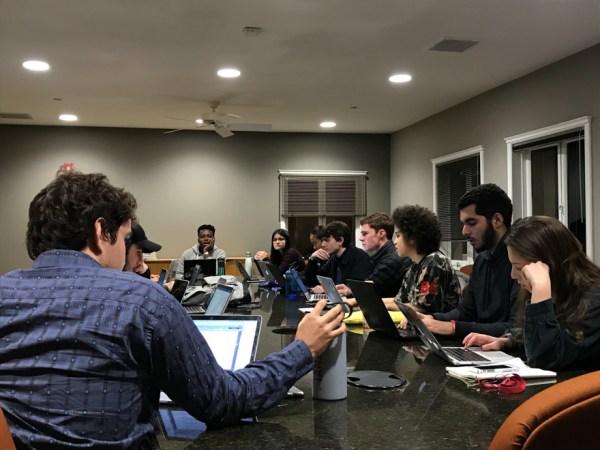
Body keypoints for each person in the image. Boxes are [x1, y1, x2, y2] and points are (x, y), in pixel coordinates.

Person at [0, 172, 346, 448]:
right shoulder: (141, 300)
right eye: (123, 239)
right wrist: (302, 349)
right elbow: (222, 401)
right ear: (99, 233)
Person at [463, 216, 600, 371]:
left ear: (548, 265)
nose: (513, 275)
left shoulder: (593, 302)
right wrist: (508, 340)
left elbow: (544, 360)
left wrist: (541, 288)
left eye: (519, 267)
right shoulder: (560, 290)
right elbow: (548, 331)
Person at [404, 184, 519, 338]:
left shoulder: (521, 261)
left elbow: (516, 328)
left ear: (497, 220)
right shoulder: (482, 260)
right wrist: (433, 318)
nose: (464, 231)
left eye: (471, 223)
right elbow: (466, 312)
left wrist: (452, 328)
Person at [337, 213, 411, 298]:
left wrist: (351, 292)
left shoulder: (391, 260)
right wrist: (350, 290)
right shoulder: (383, 256)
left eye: (365, 234)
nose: (361, 238)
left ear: (381, 234)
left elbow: (368, 291)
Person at [305, 220, 371, 292]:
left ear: (340, 240)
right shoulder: (334, 258)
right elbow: (313, 281)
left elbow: (357, 289)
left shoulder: (360, 257)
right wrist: (312, 259)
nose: (323, 244)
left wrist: (327, 288)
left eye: (327, 240)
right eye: (323, 240)